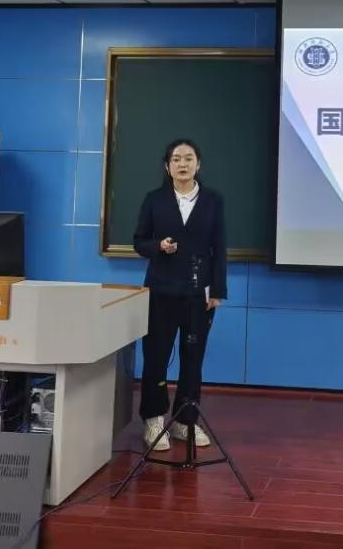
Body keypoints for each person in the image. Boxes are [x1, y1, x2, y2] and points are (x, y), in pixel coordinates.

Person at [133, 138, 227, 451]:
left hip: (199, 293)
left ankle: (185, 421)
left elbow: (219, 248)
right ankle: (153, 418)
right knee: (156, 357)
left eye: (188, 158)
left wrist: (218, 290)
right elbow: (139, 241)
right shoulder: (154, 200)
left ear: (198, 164)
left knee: (193, 359)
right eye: (176, 159)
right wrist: (158, 246)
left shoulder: (213, 200)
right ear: (167, 166)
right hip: (161, 290)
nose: (182, 164)